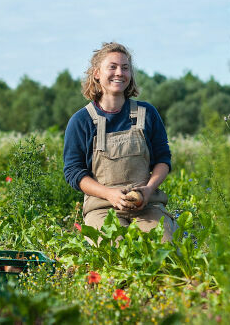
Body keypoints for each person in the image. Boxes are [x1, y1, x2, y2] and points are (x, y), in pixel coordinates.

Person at [63, 42, 176, 242]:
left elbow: (163, 159)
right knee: (113, 254)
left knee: (163, 250)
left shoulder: (147, 113)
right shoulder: (81, 121)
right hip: (102, 208)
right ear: (97, 73)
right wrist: (110, 194)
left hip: (147, 206)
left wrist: (148, 190)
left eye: (125, 68)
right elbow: (74, 172)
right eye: (112, 67)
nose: (119, 73)